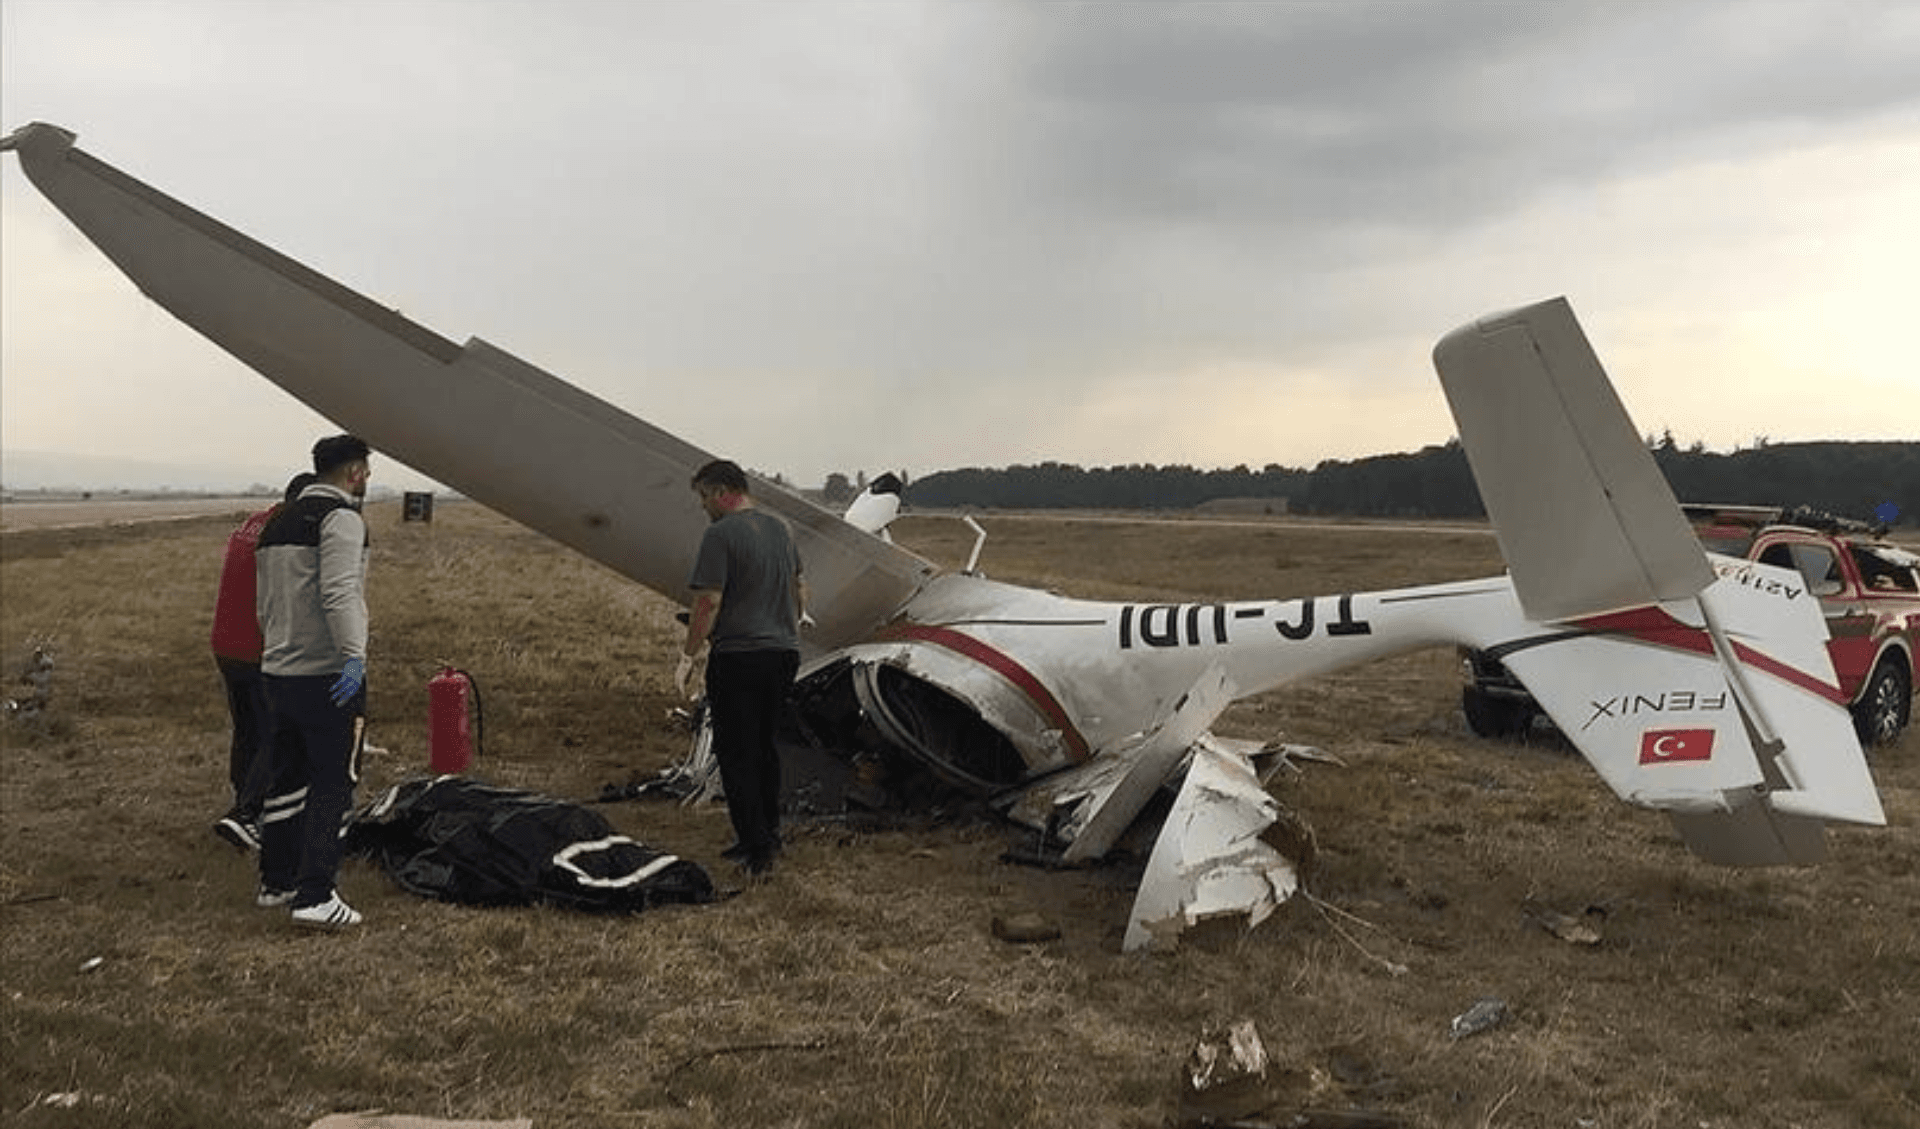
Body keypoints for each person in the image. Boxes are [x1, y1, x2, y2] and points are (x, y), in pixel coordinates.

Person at [254, 434, 374, 930]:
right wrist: (353, 658)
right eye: (366, 470)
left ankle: (275, 881)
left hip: (279, 669)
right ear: (355, 473)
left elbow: (266, 604)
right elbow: (340, 592)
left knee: (286, 777)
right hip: (327, 674)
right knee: (333, 782)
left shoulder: (277, 522)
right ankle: (316, 893)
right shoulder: (341, 519)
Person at [679, 459, 806, 877]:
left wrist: (689, 654)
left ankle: (756, 851)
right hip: (783, 654)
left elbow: (708, 601)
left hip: (738, 656)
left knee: (736, 752)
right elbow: (799, 588)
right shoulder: (782, 529)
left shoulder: (719, 535)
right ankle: (769, 835)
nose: (702, 507)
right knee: (766, 748)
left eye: (702, 497)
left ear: (720, 492)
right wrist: (788, 626)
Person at [210, 472, 315, 852]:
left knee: (248, 729)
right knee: (279, 730)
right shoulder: (288, 534)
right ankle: (247, 814)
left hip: (225, 643)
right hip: (259, 648)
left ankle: (242, 802)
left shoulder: (252, 524)